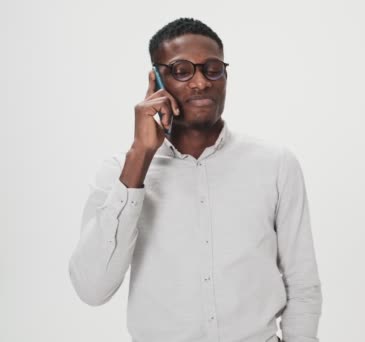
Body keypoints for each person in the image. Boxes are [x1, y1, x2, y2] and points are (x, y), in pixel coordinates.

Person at [68, 18, 322, 342]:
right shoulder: (120, 172)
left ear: (225, 76)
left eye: (212, 68)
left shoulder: (275, 165)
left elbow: (302, 284)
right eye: (181, 70)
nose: (201, 83)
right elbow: (92, 289)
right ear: (156, 80)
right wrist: (140, 157)